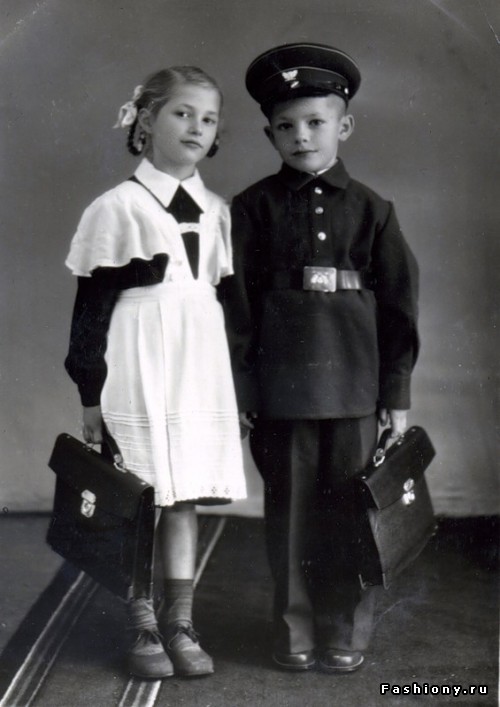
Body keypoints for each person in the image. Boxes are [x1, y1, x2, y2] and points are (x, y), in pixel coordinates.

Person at [225, 43, 419, 673]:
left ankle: (344, 630)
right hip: (281, 392)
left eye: (315, 122)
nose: (301, 136)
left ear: (345, 126)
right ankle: (293, 630)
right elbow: (235, 308)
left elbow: (400, 309)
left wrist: (395, 396)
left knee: (351, 516)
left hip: (355, 388)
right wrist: (244, 393)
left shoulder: (373, 209)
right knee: (288, 518)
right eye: (285, 126)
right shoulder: (250, 208)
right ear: (269, 134)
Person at [64, 66, 246, 680]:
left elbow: (230, 307)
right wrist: (90, 393)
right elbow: (90, 313)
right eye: (182, 112)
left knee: (184, 492)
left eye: (209, 118)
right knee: (139, 494)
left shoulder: (219, 213)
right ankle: (141, 619)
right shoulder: (115, 208)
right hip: (136, 360)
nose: (197, 126)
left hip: (199, 364)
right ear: (146, 120)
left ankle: (180, 620)